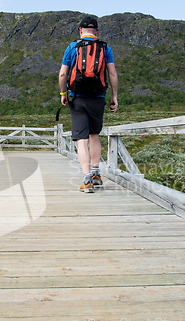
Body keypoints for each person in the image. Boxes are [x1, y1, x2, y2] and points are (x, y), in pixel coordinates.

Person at [58, 15, 118, 193]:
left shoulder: (72, 47)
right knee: (94, 136)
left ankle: (86, 180)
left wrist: (63, 93)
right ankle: (96, 173)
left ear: (80, 30)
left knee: (82, 140)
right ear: (97, 31)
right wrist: (114, 96)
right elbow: (112, 74)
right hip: (98, 98)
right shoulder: (105, 47)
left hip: (77, 98)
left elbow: (63, 74)